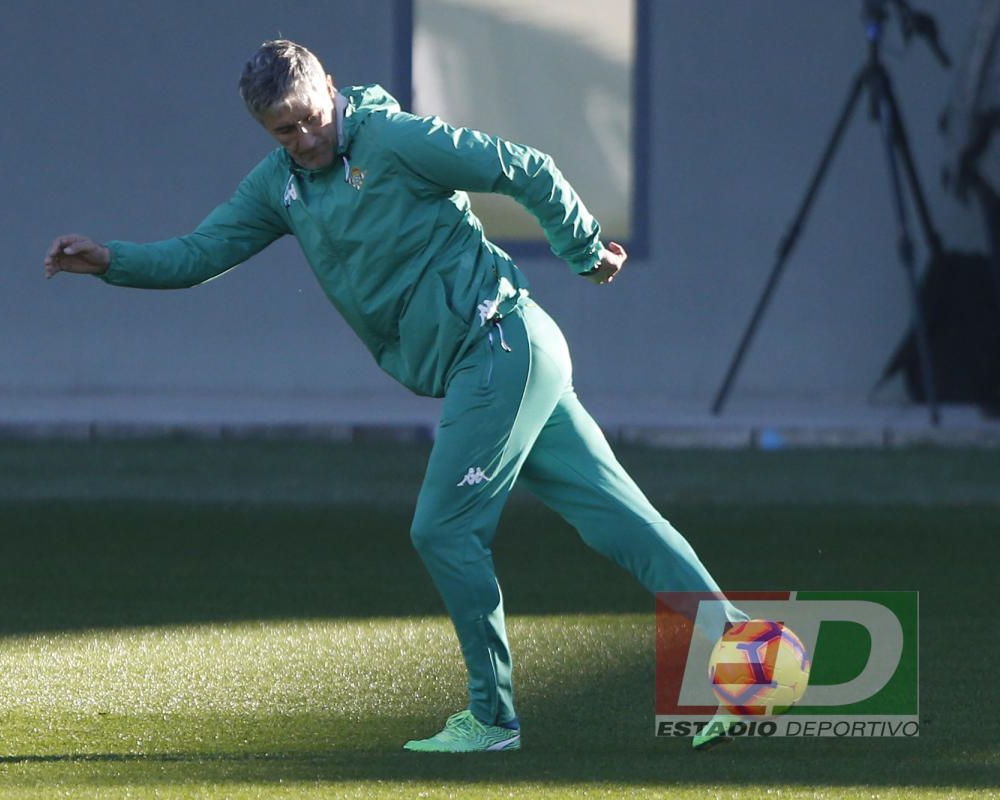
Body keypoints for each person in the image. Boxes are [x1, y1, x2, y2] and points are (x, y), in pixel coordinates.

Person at [45, 39, 745, 753]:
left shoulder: (395, 140)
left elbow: (525, 166)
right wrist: (111, 261)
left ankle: (492, 719)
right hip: (504, 357)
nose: (305, 138)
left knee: (444, 530)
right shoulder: (280, 186)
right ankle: (757, 662)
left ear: (331, 86)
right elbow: (200, 253)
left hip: (497, 345)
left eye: (311, 118)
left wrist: (584, 250)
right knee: (618, 520)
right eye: (284, 131)